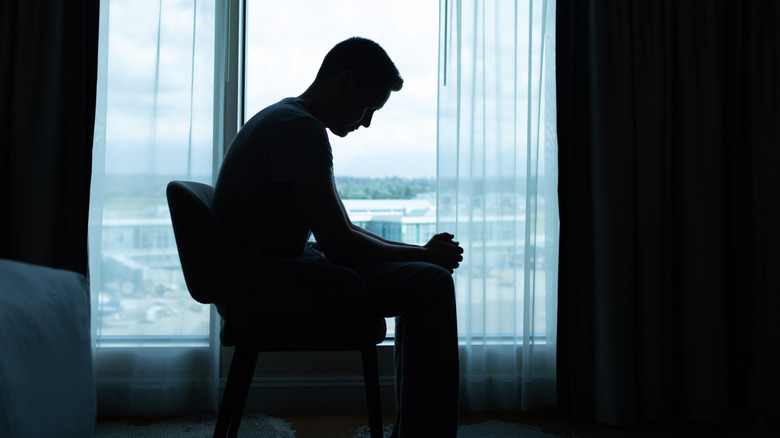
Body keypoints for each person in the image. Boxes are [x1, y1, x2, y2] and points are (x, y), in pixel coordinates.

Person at [212, 37, 463, 437]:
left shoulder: (287, 119)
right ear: (345, 81)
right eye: (368, 107)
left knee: (423, 272)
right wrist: (426, 257)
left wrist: (421, 253)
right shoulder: (298, 129)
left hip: (265, 276)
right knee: (431, 283)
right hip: (268, 287)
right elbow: (342, 245)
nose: (366, 122)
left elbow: (341, 231)